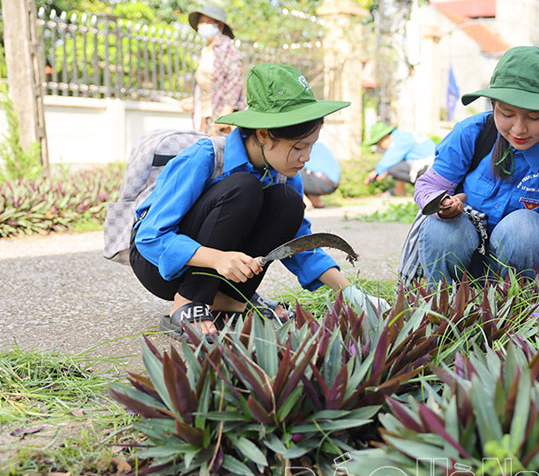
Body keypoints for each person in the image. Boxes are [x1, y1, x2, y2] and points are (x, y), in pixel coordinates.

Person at [131, 63, 384, 340]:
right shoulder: (205, 156)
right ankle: (188, 302)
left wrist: (350, 293)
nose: (307, 157)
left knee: (288, 201)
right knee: (243, 187)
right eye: (298, 147)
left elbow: (299, 244)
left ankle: (230, 301)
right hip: (159, 265)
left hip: (222, 269)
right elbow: (150, 238)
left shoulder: (284, 175)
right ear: (263, 134)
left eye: (311, 145)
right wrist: (217, 259)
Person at [412, 46, 539, 324]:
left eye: (534, 117)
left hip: (521, 271)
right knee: (443, 228)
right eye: (507, 113)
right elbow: (428, 185)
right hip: (463, 261)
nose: (519, 129)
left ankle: (513, 312)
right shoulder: (472, 133)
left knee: (525, 226)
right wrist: (440, 203)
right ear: (493, 106)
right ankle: (443, 310)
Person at [180, 3, 246, 136]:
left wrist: (227, 110)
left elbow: (235, 80)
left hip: (219, 113)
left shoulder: (227, 48)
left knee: (220, 146)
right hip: (204, 112)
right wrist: (194, 100)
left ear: (220, 25)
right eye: (201, 22)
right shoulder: (206, 50)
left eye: (207, 21)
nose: (202, 25)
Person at [363, 122, 435, 196]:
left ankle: (425, 190)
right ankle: (398, 190)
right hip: (430, 167)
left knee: (393, 168)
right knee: (396, 165)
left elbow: (389, 159)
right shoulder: (402, 136)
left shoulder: (399, 140)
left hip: (430, 168)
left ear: (384, 138)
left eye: (379, 144)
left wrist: (376, 172)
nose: (380, 147)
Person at [301, 140, 341, 209]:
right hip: (333, 183)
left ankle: (304, 202)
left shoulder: (304, 145)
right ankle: (317, 202)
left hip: (321, 182)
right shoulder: (319, 144)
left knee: (293, 171)